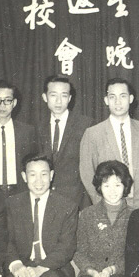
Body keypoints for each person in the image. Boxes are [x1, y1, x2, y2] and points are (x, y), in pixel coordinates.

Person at [80, 78, 139, 209]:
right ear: (106, 100)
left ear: (131, 98)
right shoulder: (93, 133)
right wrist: (101, 202)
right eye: (112, 97)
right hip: (109, 205)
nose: (118, 102)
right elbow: (86, 173)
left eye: (123, 96)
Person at [37, 75, 93, 208]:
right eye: (53, 95)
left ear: (69, 98)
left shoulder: (85, 124)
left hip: (77, 201)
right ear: (45, 97)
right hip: (46, 199)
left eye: (63, 95)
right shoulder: (38, 127)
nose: (58, 101)